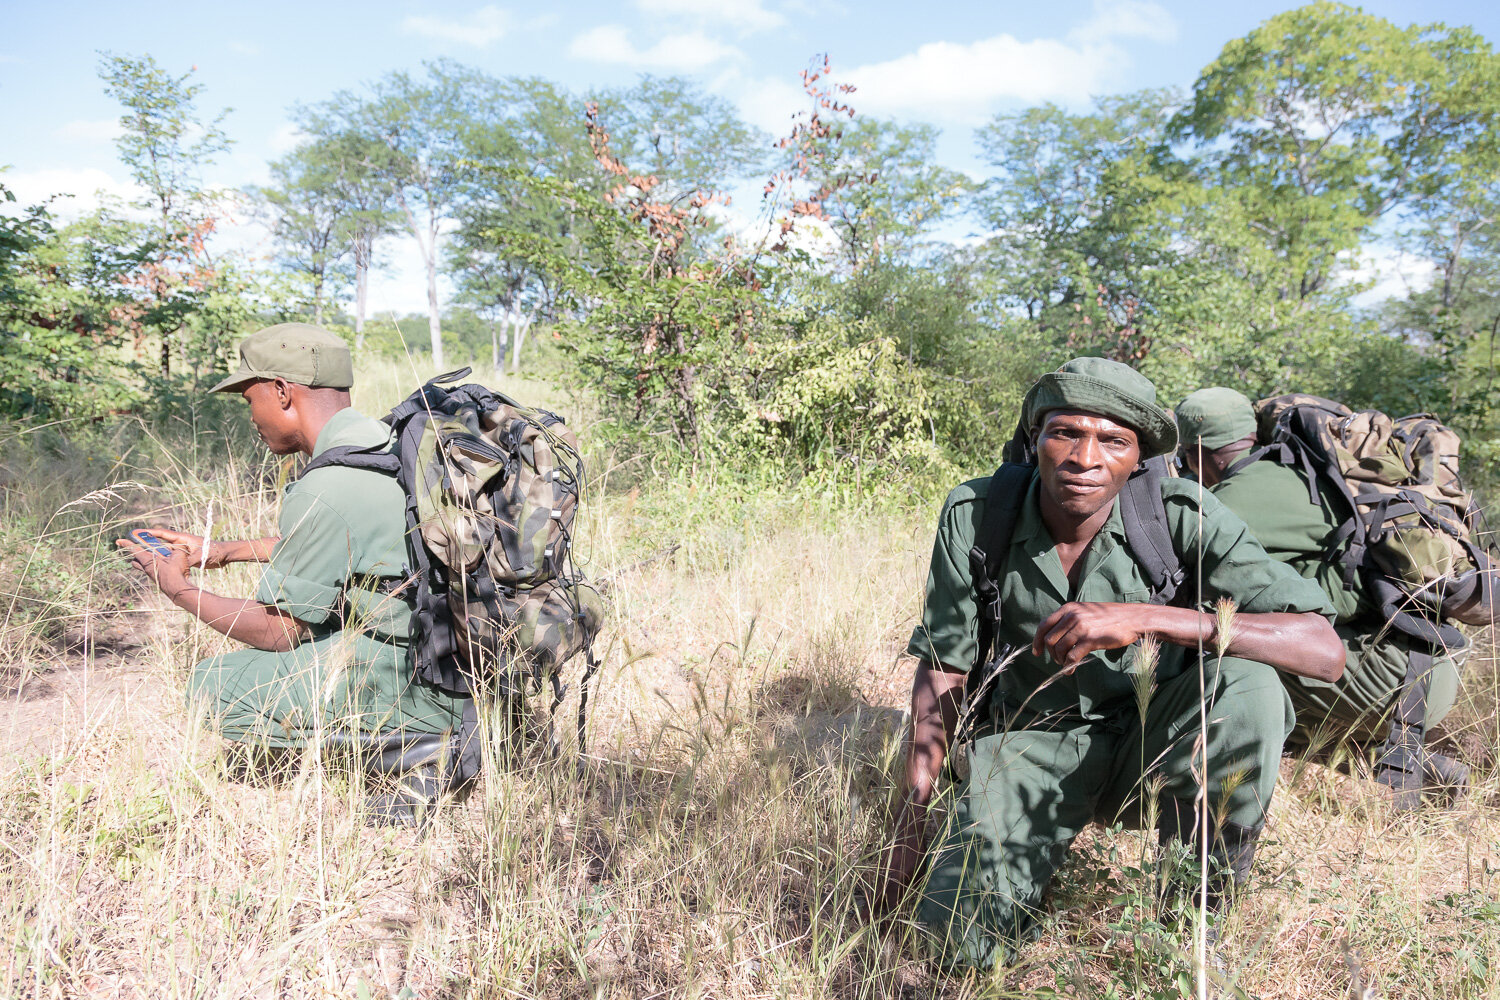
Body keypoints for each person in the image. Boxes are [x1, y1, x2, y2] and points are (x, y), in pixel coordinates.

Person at [879, 357, 1343, 968]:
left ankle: (1192, 931)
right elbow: (945, 666)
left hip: (1154, 740)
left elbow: (1323, 651)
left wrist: (1147, 618)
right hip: (1027, 746)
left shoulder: (1180, 515)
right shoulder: (977, 512)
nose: (1084, 458)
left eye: (1113, 441)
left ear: (1139, 458)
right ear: (1035, 438)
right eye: (1065, 432)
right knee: (950, 949)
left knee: (1249, 684)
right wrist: (910, 827)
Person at [119, 323, 471, 821]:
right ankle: (454, 723)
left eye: (250, 400)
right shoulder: (387, 445)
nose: (251, 417)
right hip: (459, 662)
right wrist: (222, 551)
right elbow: (347, 542)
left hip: (418, 678)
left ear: (282, 392)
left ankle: (424, 746)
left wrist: (176, 586)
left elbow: (279, 631)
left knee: (213, 684)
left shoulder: (328, 485)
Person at [1175, 387, 1468, 789]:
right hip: (1430, 667)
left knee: (1222, 664)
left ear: (1197, 452)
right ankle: (1426, 773)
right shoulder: (1296, 472)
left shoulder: (1238, 495)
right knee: (1272, 683)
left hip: (1391, 676)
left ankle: (1208, 792)